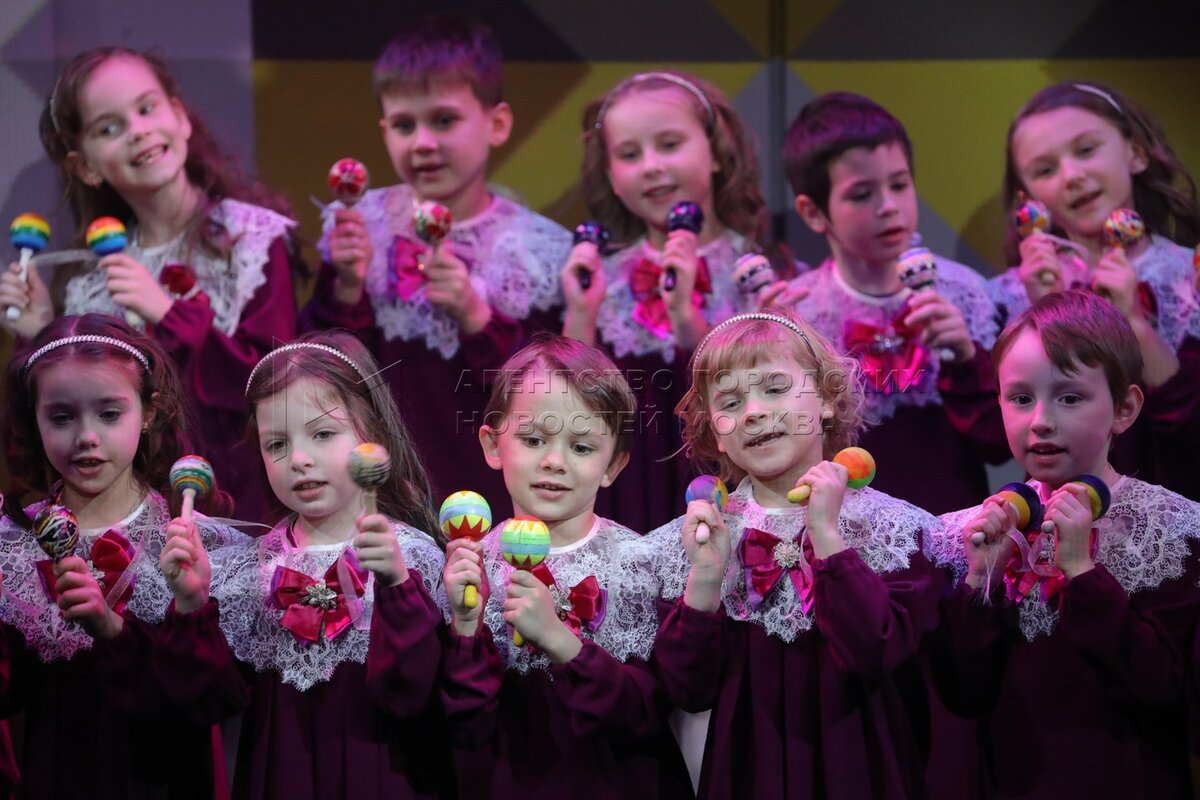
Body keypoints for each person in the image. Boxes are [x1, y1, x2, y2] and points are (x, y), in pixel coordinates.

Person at [643, 310, 942, 799]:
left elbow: (875, 650)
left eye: (775, 388)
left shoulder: (891, 530)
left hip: (862, 768)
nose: (753, 412)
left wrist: (826, 536)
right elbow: (687, 691)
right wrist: (706, 578)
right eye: (731, 402)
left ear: (825, 398)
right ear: (716, 434)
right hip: (747, 775)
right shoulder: (702, 537)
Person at [0, 47, 300, 522]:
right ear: (85, 165)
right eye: (109, 128)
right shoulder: (89, 280)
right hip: (136, 518)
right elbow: (69, 417)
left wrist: (168, 314)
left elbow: (276, 386)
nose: (138, 131)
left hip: (240, 505)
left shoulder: (252, 240)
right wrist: (38, 332)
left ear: (179, 117)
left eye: (146, 108)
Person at [147, 331, 450, 799]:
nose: (300, 460)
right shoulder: (249, 571)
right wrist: (191, 604)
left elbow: (415, 695)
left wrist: (395, 585)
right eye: (276, 445)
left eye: (323, 434)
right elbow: (205, 703)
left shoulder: (413, 558)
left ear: (372, 434)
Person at [931, 290, 1200, 799]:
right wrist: (979, 581)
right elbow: (961, 694)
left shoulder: (1168, 529)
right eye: (1020, 398)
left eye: (1069, 397)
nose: (1041, 421)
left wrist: (1081, 571)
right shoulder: (980, 530)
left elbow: (1160, 689)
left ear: (1124, 408)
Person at [302, 15, 569, 514]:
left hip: (490, 476)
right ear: (384, 130)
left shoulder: (535, 248)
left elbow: (551, 394)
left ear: (496, 124)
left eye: (443, 120)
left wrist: (477, 317)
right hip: (386, 479)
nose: (422, 142)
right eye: (405, 125)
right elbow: (323, 370)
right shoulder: (362, 223)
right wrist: (347, 287)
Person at [0, 313, 244, 798]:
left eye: (109, 414)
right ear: (35, 418)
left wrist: (145, 620)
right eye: (61, 418)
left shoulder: (192, 541)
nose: (86, 437)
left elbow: (215, 700)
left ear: (148, 412)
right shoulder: (12, 543)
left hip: (166, 780)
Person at [440, 336, 693, 799]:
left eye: (580, 447)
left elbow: (648, 714)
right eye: (534, 440)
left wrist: (561, 641)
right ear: (493, 445)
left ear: (613, 465)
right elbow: (464, 726)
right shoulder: (470, 566)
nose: (554, 462)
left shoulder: (637, 562)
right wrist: (465, 625)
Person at [564, 69, 798, 532]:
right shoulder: (598, 275)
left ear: (717, 153)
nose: (651, 166)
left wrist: (686, 317)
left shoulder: (756, 269)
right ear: (611, 176)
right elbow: (571, 396)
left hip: (728, 477)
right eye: (630, 154)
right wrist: (580, 314)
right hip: (626, 485)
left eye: (669, 145)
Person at [782, 91, 1008, 516]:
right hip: (845, 528)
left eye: (899, 185)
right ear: (813, 213)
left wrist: (965, 358)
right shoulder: (802, 315)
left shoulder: (966, 294)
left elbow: (1001, 445)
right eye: (861, 194)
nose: (889, 207)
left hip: (954, 525)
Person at [991, 81, 1200, 498]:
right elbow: (1002, 436)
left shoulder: (1187, 278)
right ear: (1029, 200)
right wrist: (1044, 313)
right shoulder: (1007, 296)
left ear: (1135, 153)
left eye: (1086, 150)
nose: (1072, 177)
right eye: (1045, 170)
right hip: (1061, 515)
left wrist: (1135, 323)